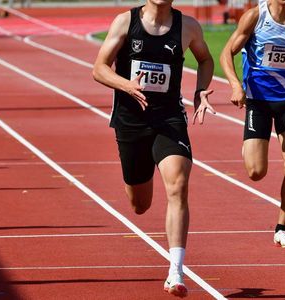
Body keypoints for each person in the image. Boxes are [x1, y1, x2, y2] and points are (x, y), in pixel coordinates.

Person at [93, 0, 215, 296]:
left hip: (169, 118)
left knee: (178, 183)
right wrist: (126, 85)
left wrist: (200, 91)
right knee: (139, 204)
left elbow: (206, 60)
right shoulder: (125, 22)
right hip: (131, 121)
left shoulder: (187, 26)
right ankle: (138, 180)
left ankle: (176, 271)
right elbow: (99, 68)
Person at [220, 0, 285, 248]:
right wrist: (235, 85)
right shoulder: (255, 16)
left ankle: (282, 227)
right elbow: (226, 53)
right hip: (258, 100)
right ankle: (250, 146)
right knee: (256, 172)